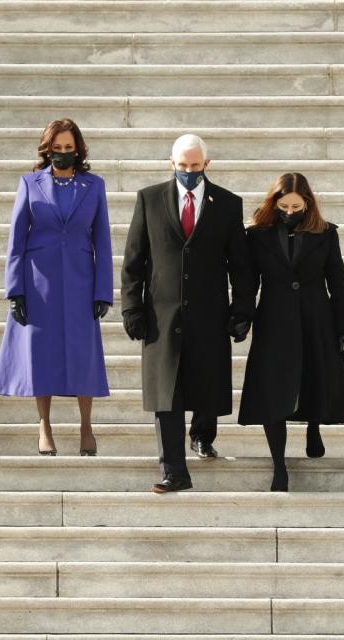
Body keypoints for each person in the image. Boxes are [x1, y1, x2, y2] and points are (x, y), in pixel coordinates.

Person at [121, 134, 255, 493]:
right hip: (161, 317)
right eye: (183, 166)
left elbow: (241, 266)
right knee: (166, 394)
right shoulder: (148, 200)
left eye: (195, 166)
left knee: (205, 382)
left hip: (209, 313)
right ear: (171, 163)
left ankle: (202, 434)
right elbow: (134, 261)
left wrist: (243, 310)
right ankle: (174, 471)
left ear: (206, 165)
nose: (189, 172)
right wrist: (131, 307)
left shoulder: (227, 204)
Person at [0, 119, 112, 456]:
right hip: (38, 281)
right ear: (47, 150)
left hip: (80, 279)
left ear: (78, 149)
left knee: (83, 353)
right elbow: (16, 240)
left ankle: (86, 425)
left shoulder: (94, 185)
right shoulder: (29, 184)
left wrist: (103, 290)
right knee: (41, 354)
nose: (62, 154)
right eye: (56, 149)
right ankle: (44, 426)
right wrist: (14, 290)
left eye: (68, 149)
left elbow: (103, 240)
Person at [238, 172, 344, 491]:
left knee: (313, 377)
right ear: (274, 203)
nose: (290, 212)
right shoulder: (257, 235)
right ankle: (279, 465)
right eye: (284, 206)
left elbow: (339, 283)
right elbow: (249, 283)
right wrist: (242, 317)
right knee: (272, 390)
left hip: (317, 316)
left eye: (296, 206)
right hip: (274, 320)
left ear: (308, 203)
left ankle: (313, 426)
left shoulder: (326, 233)